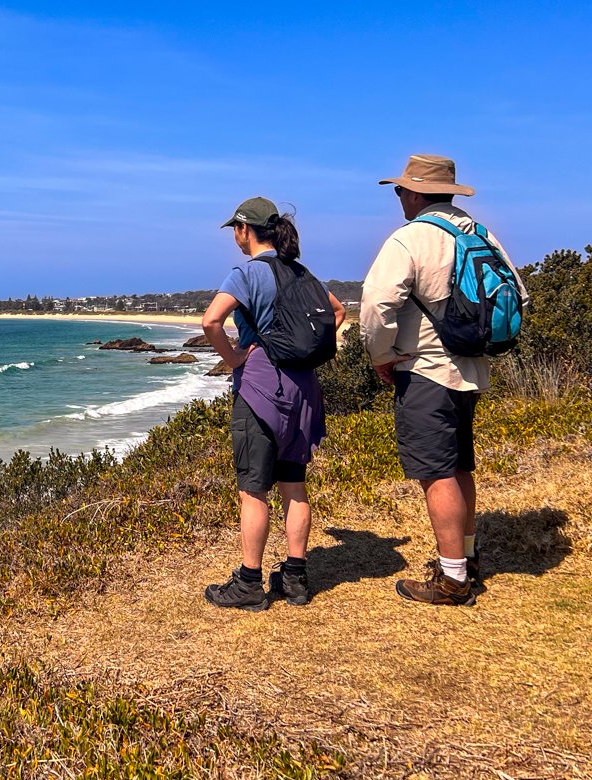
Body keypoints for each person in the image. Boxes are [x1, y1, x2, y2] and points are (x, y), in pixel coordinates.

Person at [361, 154, 528, 605]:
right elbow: (518, 293)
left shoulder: (410, 238)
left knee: (435, 472)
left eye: (399, 191)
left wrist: (383, 356)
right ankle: (466, 557)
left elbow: (377, 307)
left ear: (415, 193)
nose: (399, 199)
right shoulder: (479, 232)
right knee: (458, 466)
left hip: (425, 370)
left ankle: (453, 580)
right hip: (471, 372)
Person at [201, 198, 347, 611]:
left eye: (236, 228)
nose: (234, 235)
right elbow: (336, 312)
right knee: (294, 485)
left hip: (262, 389)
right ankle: (296, 578)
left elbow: (211, 321)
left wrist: (234, 359)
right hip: (304, 391)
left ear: (245, 230)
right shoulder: (301, 272)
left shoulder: (247, 273)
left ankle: (249, 582)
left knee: (253, 490)